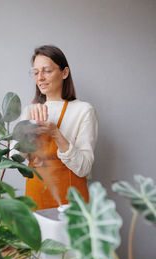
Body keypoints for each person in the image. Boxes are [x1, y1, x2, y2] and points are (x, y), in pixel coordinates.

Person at [19, 45, 98, 210]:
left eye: (47, 71)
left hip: (70, 205)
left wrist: (55, 133)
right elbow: (15, 159)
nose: (40, 78)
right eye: (35, 72)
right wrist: (30, 129)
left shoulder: (83, 111)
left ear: (64, 72)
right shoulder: (29, 112)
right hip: (35, 201)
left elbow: (83, 168)